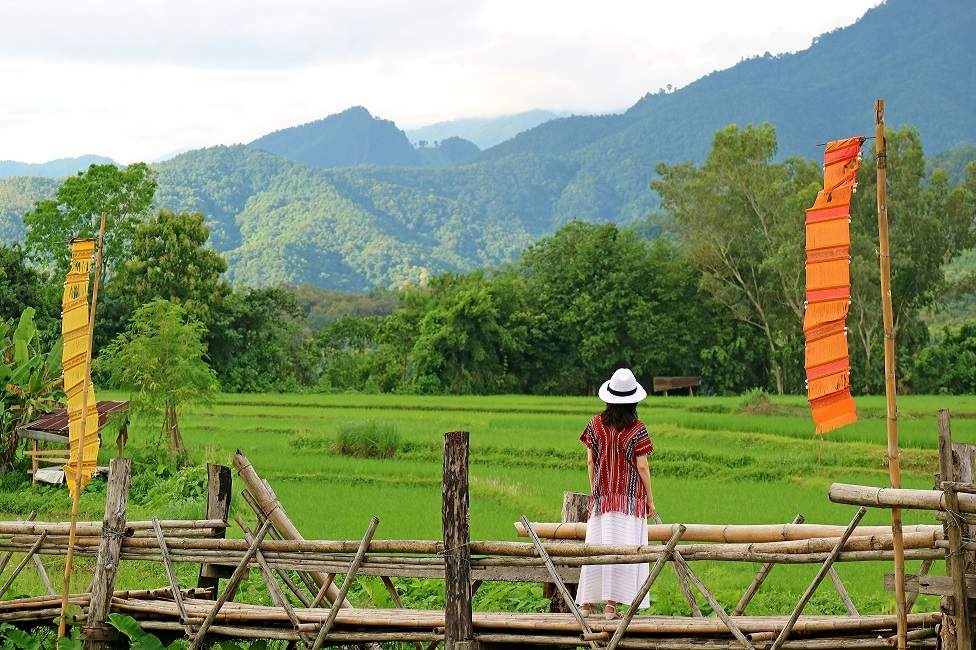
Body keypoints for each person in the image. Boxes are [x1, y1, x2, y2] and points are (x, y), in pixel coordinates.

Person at [576, 368, 655, 619]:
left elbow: (590, 462)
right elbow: (642, 467)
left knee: (596, 546)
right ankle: (611, 606)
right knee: (622, 549)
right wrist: (650, 500)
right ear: (633, 401)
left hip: (602, 499)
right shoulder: (637, 429)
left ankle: (585, 604)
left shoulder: (595, 424)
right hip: (629, 501)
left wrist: (596, 491)